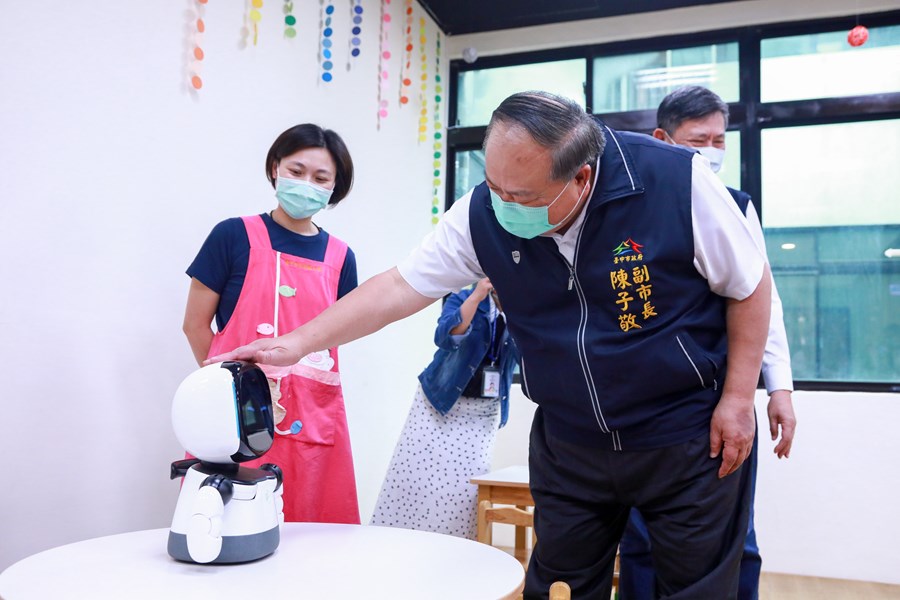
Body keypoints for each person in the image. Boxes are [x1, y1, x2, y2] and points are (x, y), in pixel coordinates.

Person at [208, 91, 772, 598]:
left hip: (684, 432)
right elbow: (400, 287)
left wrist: (739, 398)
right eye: (494, 184)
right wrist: (296, 342)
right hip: (572, 438)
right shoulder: (484, 212)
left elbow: (749, 286)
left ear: (580, 178)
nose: (501, 202)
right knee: (559, 587)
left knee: (697, 589)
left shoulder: (675, 182)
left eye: (520, 194)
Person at [617, 86, 798, 600]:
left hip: (721, 402)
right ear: (661, 140)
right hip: (645, 411)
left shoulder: (736, 207)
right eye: (699, 140)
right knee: (642, 543)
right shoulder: (629, 218)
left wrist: (777, 387)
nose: (712, 151)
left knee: (735, 541)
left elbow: (766, 299)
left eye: (720, 140)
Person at [183, 123, 360, 524]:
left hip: (313, 419)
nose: (306, 184)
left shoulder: (341, 258)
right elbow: (195, 326)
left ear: (335, 188)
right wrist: (226, 392)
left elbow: (339, 334)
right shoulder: (232, 236)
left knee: (313, 542)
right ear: (275, 168)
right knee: (227, 527)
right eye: (296, 171)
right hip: (235, 416)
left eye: (320, 178)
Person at [370, 277, 520, 539]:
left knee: (465, 491)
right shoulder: (461, 297)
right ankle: (396, 542)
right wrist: (477, 296)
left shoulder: (518, 308)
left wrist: (514, 311)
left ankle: (455, 551)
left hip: (483, 414)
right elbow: (446, 337)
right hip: (439, 404)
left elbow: (525, 354)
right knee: (413, 480)